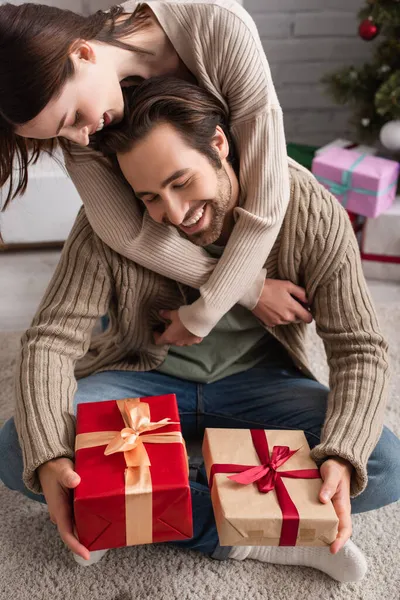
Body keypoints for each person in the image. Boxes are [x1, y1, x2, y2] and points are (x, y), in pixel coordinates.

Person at [1, 78, 399, 583]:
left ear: (219, 144)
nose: (175, 213)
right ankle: (255, 534)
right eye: (149, 197)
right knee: (22, 449)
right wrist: (55, 458)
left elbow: (360, 347)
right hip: (143, 376)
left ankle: (130, 512)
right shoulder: (108, 220)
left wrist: (341, 455)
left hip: (261, 383)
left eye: (181, 182)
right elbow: (51, 339)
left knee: (381, 464)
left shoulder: (309, 210)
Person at [0, 0, 313, 347]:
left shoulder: (219, 27)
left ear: (84, 54)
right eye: (61, 135)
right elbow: (127, 232)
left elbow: (267, 193)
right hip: (166, 260)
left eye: (72, 119)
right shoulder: (80, 129)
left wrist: (204, 313)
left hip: (235, 228)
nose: (80, 139)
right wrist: (250, 289)